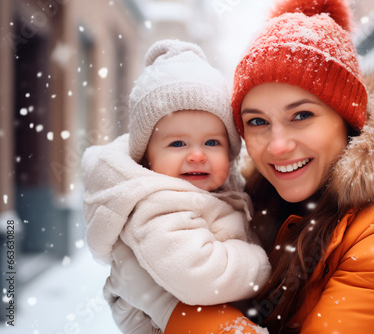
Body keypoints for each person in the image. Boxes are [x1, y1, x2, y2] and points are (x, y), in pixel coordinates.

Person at [159, 0, 374, 332]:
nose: (278, 145)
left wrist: (168, 308)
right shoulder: (260, 208)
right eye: (258, 121)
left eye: (301, 115)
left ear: (346, 117)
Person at [81, 39, 271, 334]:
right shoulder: (159, 205)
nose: (197, 154)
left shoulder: (218, 194)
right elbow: (203, 278)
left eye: (212, 142)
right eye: (177, 143)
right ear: (147, 158)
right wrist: (265, 262)